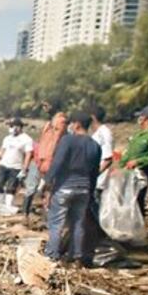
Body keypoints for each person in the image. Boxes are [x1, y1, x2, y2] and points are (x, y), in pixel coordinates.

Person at [43, 111, 102, 266]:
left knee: (57, 223)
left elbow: (58, 163)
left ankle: (52, 254)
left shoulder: (67, 140)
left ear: (76, 124)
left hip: (65, 187)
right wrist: (91, 191)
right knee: (78, 223)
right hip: (84, 188)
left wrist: (47, 183)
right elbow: (95, 172)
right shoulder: (95, 145)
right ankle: (76, 256)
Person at [120, 106, 148, 216]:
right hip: (130, 171)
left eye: (141, 116)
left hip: (144, 172)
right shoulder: (138, 135)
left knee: (137, 199)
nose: (139, 118)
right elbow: (129, 153)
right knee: (128, 199)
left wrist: (139, 161)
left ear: (145, 118)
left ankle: (138, 227)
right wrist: (120, 166)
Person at [23, 112, 67, 220]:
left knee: (49, 191)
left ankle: (48, 215)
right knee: (32, 189)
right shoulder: (47, 130)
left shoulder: (62, 135)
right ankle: (25, 213)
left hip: (50, 165)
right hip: (41, 163)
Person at [0, 118, 33, 207]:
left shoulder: (26, 139)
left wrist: (25, 169)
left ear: (19, 127)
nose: (10, 128)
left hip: (16, 167)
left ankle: (8, 206)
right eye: (10, 126)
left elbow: (28, 155)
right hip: (4, 165)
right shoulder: (7, 138)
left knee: (11, 188)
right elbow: (2, 151)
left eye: (12, 126)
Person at [91, 107, 114, 172]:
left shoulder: (104, 133)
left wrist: (96, 174)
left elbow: (108, 159)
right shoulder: (96, 133)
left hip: (101, 178)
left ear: (93, 117)